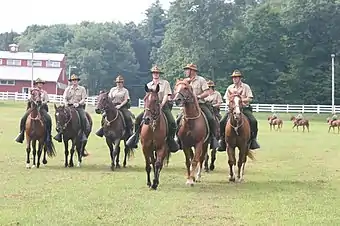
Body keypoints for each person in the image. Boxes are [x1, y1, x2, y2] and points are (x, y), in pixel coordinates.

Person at [126, 66, 179, 152]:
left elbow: (166, 95)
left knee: (172, 122)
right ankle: (135, 137)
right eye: (154, 73)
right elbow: (147, 97)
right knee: (137, 120)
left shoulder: (165, 83)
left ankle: (170, 139)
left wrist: (162, 104)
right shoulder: (148, 85)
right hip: (150, 107)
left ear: (159, 74)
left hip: (162, 106)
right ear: (152, 74)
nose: (155, 74)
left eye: (157, 73)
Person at [175, 63, 220, 149]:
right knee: (178, 119)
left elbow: (206, 92)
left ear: (193, 71)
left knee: (210, 118)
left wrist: (198, 96)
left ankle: (213, 138)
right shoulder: (184, 81)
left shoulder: (201, 80)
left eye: (187, 70)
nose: (186, 71)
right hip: (187, 106)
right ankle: (178, 139)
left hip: (200, 104)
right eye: (186, 70)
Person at [218, 69, 260, 151]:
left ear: (240, 78)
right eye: (233, 77)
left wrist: (240, 100)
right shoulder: (230, 88)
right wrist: (229, 103)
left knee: (253, 121)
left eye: (236, 77)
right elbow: (226, 98)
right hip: (232, 109)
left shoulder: (246, 87)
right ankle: (222, 140)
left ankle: (253, 140)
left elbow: (250, 98)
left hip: (244, 109)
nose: (234, 79)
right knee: (222, 121)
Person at [15, 78, 52, 147]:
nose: (40, 84)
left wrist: (42, 103)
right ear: (36, 84)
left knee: (48, 118)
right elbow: (29, 99)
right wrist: (32, 100)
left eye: (41, 83)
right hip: (33, 108)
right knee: (23, 118)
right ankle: (21, 133)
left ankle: (48, 134)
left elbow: (47, 100)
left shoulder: (44, 92)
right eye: (38, 83)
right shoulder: (33, 91)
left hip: (41, 108)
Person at [54, 74, 88, 142]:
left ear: (78, 81)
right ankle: (60, 133)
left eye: (75, 80)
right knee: (61, 117)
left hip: (78, 107)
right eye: (73, 80)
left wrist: (78, 103)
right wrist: (65, 103)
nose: (74, 81)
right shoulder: (68, 89)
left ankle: (83, 133)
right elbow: (64, 97)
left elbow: (84, 99)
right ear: (71, 81)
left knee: (83, 118)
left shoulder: (82, 89)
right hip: (69, 106)